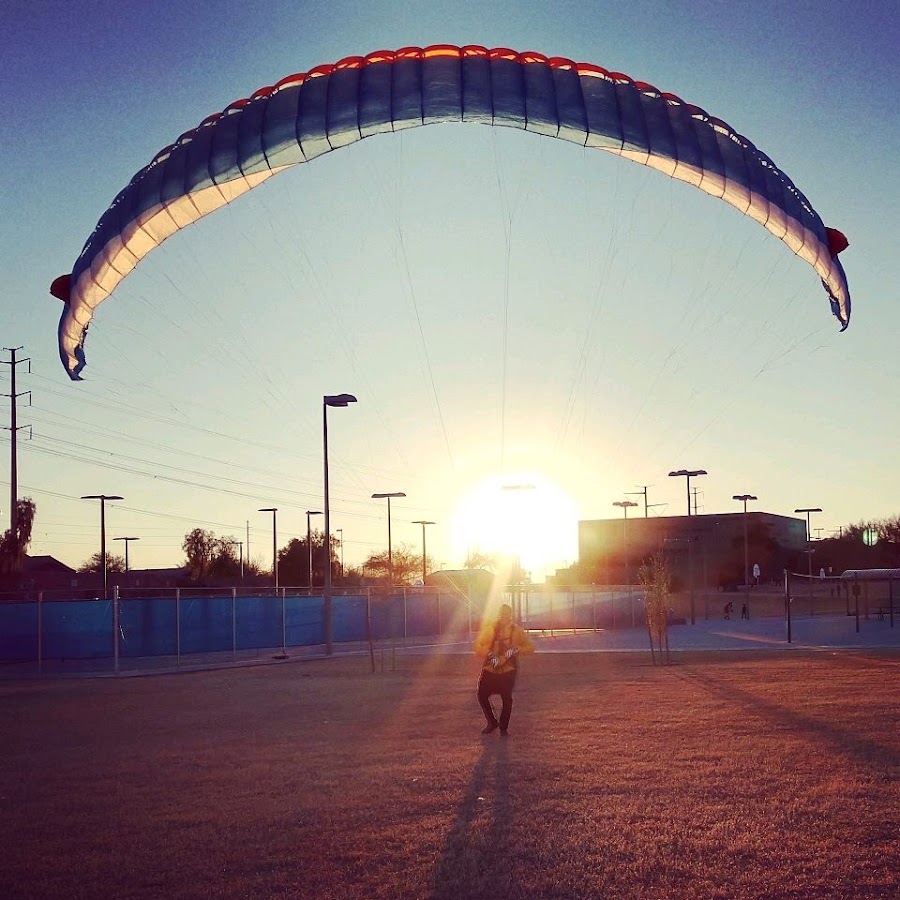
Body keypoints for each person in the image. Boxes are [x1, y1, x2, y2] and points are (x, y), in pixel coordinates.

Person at [473, 603, 534, 736]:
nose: (504, 617)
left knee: (506, 698)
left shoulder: (517, 631)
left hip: (508, 670)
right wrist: (488, 653)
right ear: (499, 615)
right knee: (482, 694)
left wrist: (516, 649)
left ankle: (503, 727)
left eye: (507, 614)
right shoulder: (490, 629)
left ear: (510, 615)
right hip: (490, 668)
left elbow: (530, 647)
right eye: (502, 614)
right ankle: (492, 722)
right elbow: (477, 645)